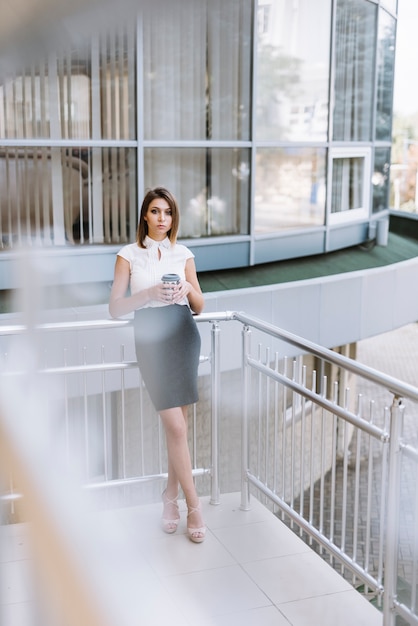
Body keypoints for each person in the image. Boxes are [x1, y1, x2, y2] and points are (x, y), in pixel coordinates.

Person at [109, 187, 206, 543]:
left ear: (173, 217)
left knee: (176, 428)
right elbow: (115, 308)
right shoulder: (128, 255)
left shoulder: (183, 253)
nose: (162, 218)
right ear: (145, 216)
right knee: (177, 429)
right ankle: (194, 505)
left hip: (183, 333)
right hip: (150, 337)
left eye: (167, 212)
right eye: (155, 211)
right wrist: (149, 294)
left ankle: (170, 498)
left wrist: (184, 288)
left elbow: (201, 304)